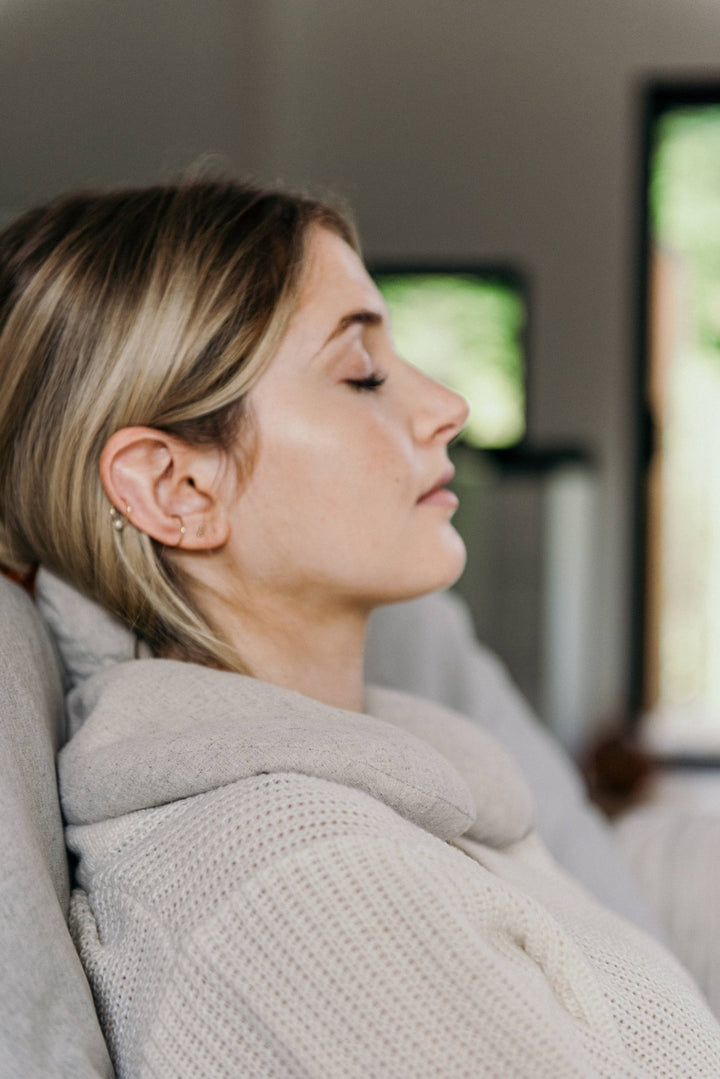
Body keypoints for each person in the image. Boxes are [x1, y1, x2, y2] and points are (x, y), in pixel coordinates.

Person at [1, 179, 719, 1079]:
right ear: (178, 489)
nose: (448, 405)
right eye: (362, 372)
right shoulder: (302, 901)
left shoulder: (391, 806)